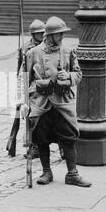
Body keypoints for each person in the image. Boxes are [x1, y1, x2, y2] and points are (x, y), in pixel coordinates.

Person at [25, 16, 91, 187]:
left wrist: (68, 76)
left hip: (63, 102)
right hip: (41, 102)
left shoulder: (68, 51)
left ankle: (72, 174)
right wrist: (26, 100)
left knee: (69, 137)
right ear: (49, 35)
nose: (62, 37)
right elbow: (23, 79)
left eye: (63, 34)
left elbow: (78, 74)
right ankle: (47, 172)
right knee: (42, 139)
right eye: (59, 34)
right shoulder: (33, 53)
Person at [17, 19, 46, 159]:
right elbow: (22, 71)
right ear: (33, 34)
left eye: (43, 33)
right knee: (31, 118)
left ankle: (62, 147)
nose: (42, 36)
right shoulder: (26, 48)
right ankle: (33, 147)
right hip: (32, 86)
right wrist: (21, 91)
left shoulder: (47, 45)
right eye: (39, 34)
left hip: (46, 84)